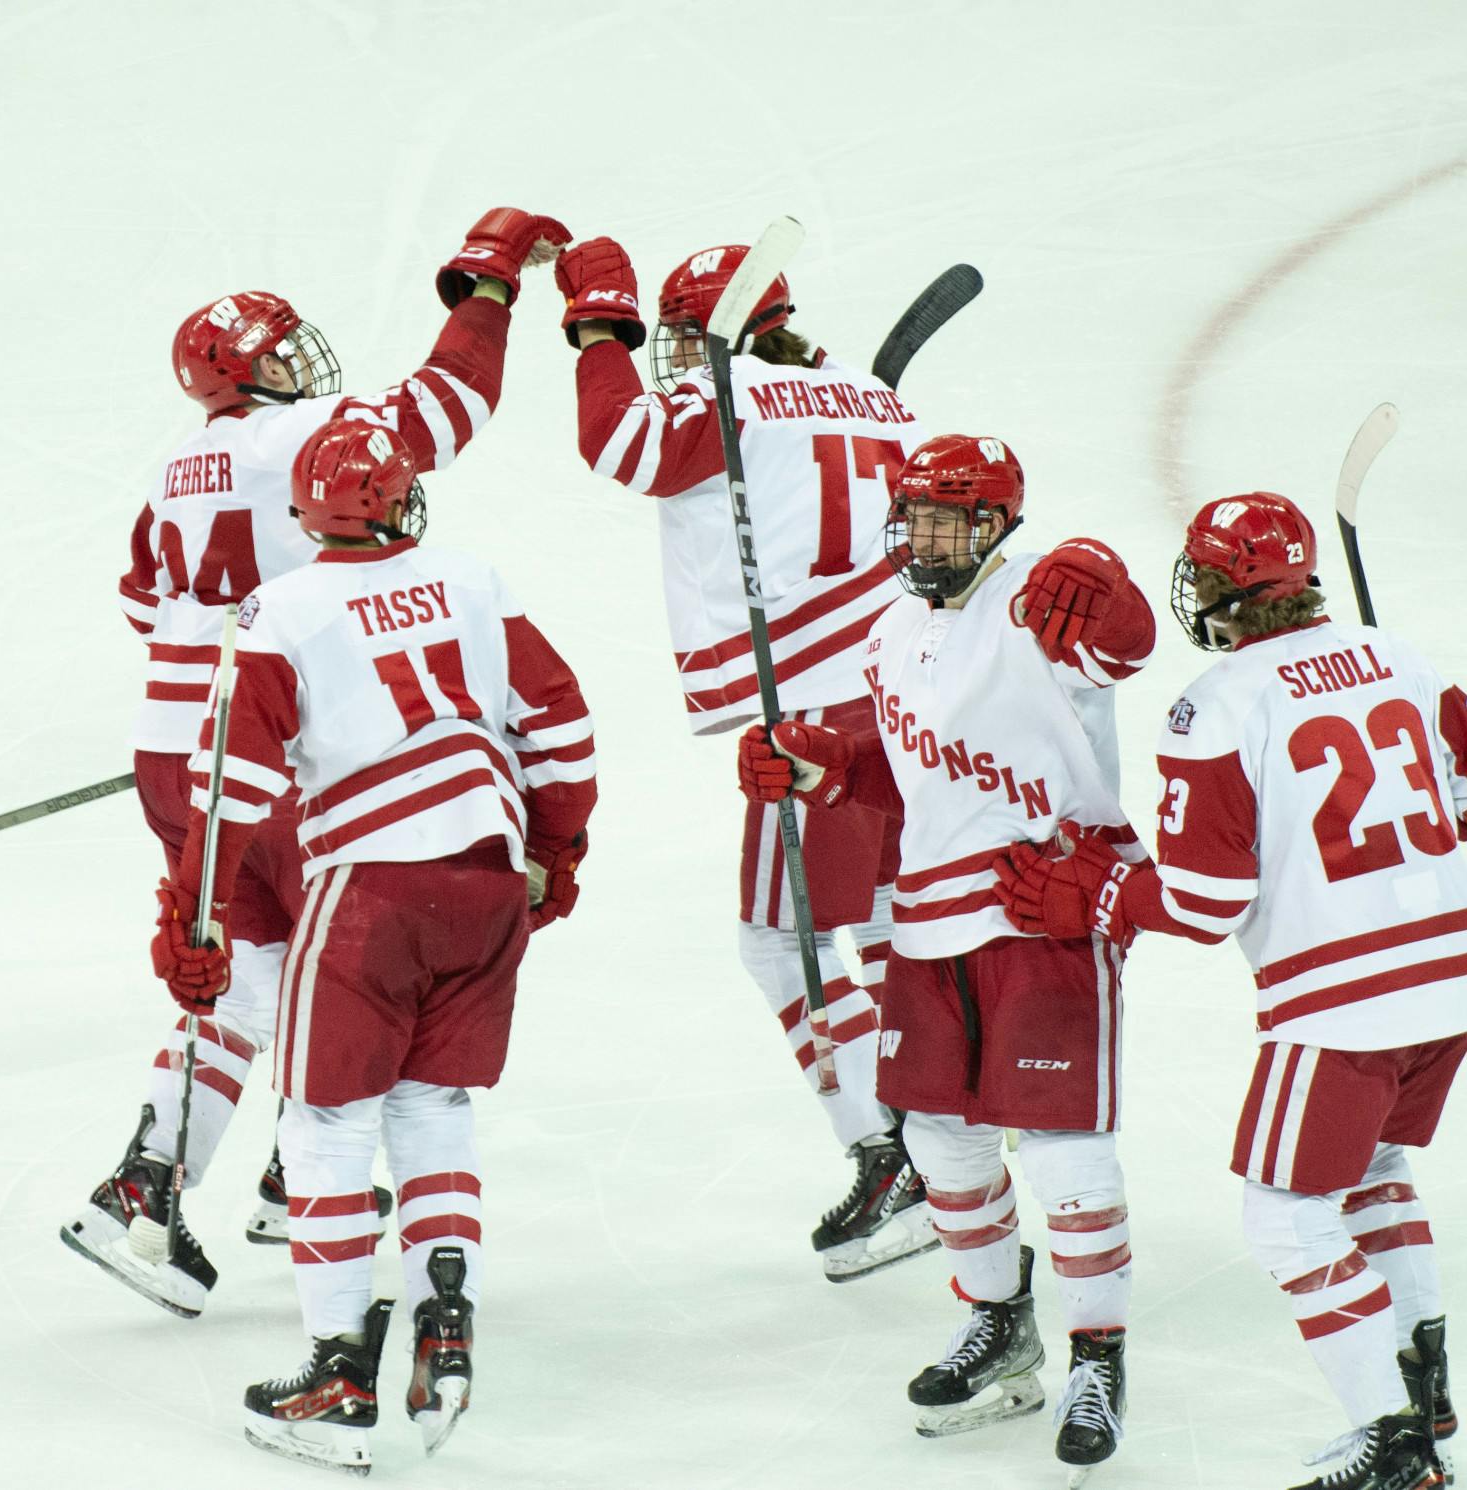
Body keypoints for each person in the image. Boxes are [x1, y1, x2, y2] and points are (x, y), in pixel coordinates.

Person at [61, 207, 570, 1317]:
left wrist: (212, 692)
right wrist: (484, 285)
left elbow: (143, 600)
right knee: (334, 967)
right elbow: (449, 405)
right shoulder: (315, 434)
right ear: (240, 371)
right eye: (277, 352)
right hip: (279, 763)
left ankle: (170, 1182)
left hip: (177, 746)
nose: (301, 363)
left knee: (256, 973)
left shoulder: (179, 463)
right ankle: (272, 1176)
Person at [1019, 491, 1467, 1490]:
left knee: (1284, 1214)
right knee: (1373, 1168)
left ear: (1217, 591)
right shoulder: (1398, 657)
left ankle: (1391, 1439)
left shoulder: (1213, 702)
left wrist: (1110, 891)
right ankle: (1420, 1391)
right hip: (1452, 975)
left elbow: (1210, 900)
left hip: (1342, 998)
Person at [148, 417, 596, 1474]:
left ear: (306, 516)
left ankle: (339, 1367)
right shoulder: (473, 575)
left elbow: (235, 789)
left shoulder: (283, 606)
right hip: (486, 879)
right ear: (400, 500)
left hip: (368, 892)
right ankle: (444, 1321)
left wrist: (192, 913)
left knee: (324, 1122)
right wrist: (555, 849)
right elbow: (562, 720)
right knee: (431, 1104)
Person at [737, 434, 1155, 1475]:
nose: (922, 535)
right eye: (912, 514)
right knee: (939, 1144)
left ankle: (1096, 1353)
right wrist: (823, 767)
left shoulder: (1035, 608)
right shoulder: (888, 632)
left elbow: (1126, 642)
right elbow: (904, 772)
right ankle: (997, 1320)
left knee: (1060, 1146)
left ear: (996, 525)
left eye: (946, 517)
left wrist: (1102, 572)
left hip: (1039, 909)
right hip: (927, 919)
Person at [552, 233, 934, 1280]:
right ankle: (947, 1148)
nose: (673, 352)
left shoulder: (730, 397)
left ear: (712, 332)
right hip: (915, 695)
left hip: (810, 715)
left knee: (785, 942)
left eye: (680, 334)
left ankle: (892, 1157)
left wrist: (597, 325)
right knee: (897, 930)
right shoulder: (874, 398)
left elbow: (621, 444)